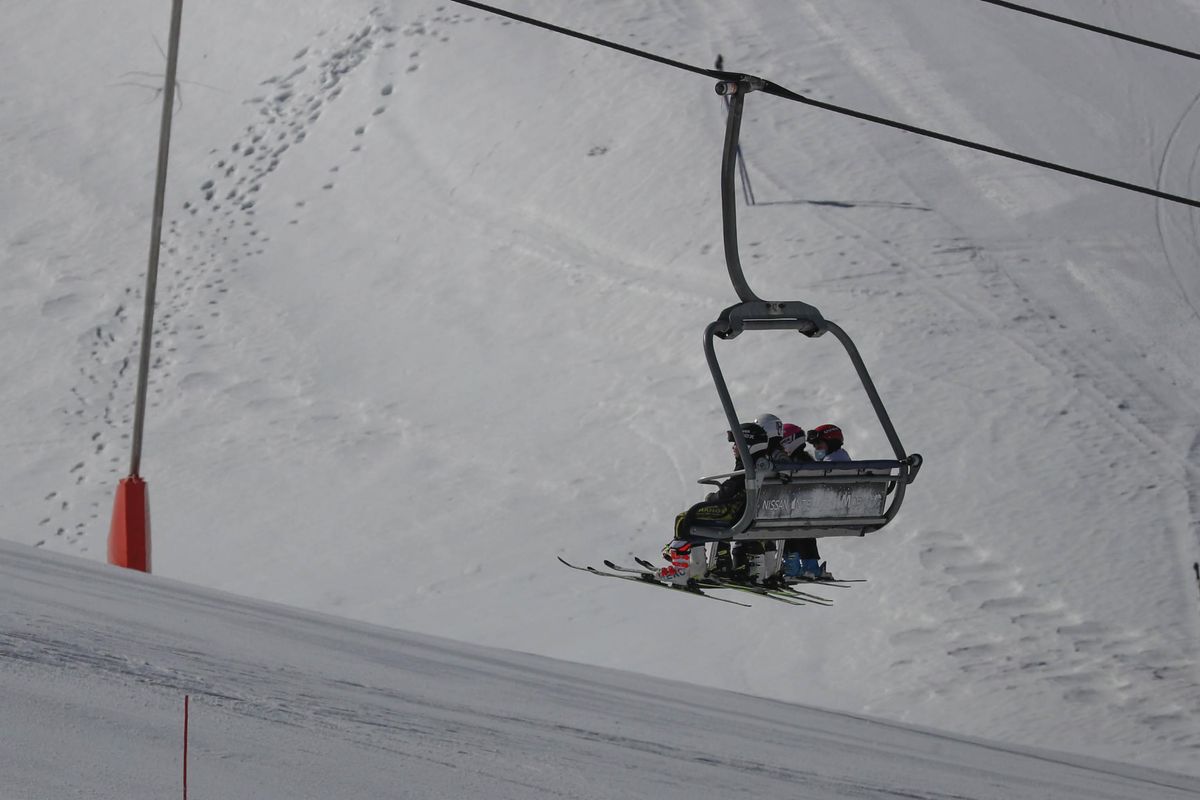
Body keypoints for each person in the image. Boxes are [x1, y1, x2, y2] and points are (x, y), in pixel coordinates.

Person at [660, 420, 777, 586]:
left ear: (748, 444)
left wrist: (712, 498)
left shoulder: (748, 466)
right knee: (693, 519)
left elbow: (729, 490)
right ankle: (693, 565)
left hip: (734, 515)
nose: (733, 447)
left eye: (736, 443)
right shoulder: (763, 463)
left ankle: (682, 570)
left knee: (684, 519)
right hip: (749, 514)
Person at [779, 423, 848, 580]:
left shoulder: (803, 464)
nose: (816, 448)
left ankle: (792, 566)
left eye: (819, 444)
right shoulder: (839, 460)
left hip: (820, 507)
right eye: (815, 445)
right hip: (830, 509)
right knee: (802, 526)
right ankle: (811, 566)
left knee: (788, 524)